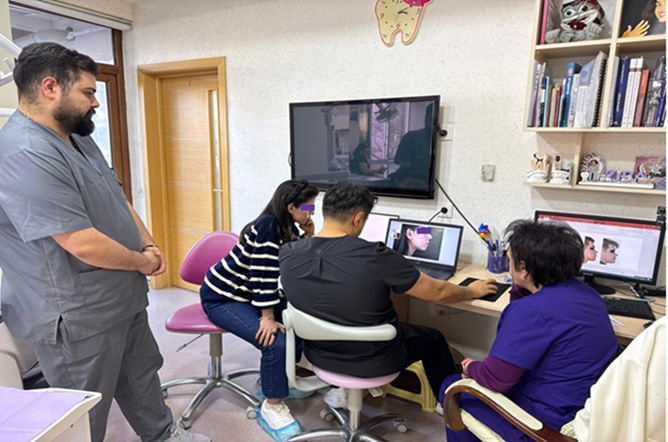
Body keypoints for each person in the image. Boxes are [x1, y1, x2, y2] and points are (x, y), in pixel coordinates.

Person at [0, 42, 209, 442]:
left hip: (120, 295)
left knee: (142, 374)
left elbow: (115, 193)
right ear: (50, 88)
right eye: (88, 92)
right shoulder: (24, 152)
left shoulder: (76, 137)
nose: (96, 102)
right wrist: (143, 262)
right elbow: (80, 242)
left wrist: (148, 244)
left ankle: (163, 435)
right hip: (77, 313)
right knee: (84, 408)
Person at [279, 181, 497, 405]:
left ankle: (345, 391)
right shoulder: (375, 255)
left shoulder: (288, 253)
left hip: (319, 355)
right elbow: (439, 292)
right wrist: (471, 290)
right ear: (358, 218)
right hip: (374, 360)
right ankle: (449, 405)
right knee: (434, 339)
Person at [440, 219, 619, 442]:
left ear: (523, 268)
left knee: (452, 387)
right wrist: (522, 284)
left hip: (547, 425)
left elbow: (496, 379)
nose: (508, 266)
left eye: (510, 261)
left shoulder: (531, 311)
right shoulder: (588, 294)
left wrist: (470, 367)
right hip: (589, 410)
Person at [200, 179, 319, 442]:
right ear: (290, 207)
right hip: (222, 297)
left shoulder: (286, 226)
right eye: (308, 208)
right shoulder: (269, 226)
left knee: (300, 320)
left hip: (247, 294)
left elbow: (294, 259)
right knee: (274, 341)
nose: (311, 213)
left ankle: (279, 381)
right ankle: (272, 405)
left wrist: (309, 234)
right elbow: (263, 274)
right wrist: (267, 317)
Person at [391, 103, 433, 189]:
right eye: (431, 119)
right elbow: (405, 170)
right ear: (426, 119)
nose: (435, 124)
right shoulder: (412, 137)